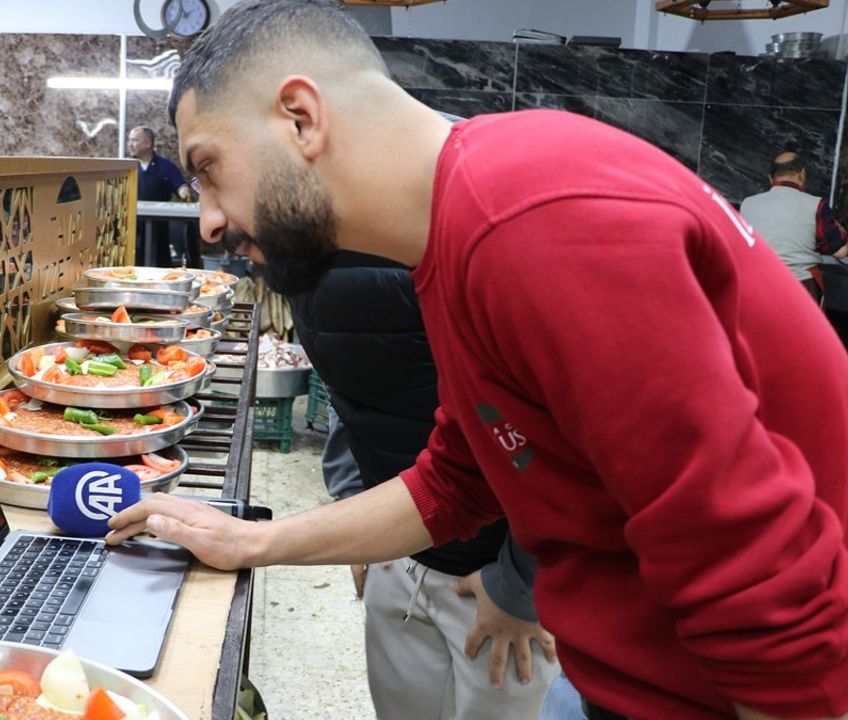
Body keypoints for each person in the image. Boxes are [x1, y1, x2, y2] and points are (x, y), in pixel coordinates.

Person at [105, 2, 848, 719]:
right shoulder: (455, 238)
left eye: (210, 170)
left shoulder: (526, 216)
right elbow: (457, 481)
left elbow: (759, 581)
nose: (205, 222)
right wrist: (253, 542)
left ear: (301, 117)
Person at [301, 251, 558, 719]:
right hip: (401, 551)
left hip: (496, 577)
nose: (211, 224)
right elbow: (351, 394)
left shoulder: (471, 250)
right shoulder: (307, 257)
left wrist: (520, 585)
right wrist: (357, 504)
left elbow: (557, 436)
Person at [740, 151, 848, 303]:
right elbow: (840, 251)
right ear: (802, 174)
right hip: (800, 289)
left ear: (771, 178)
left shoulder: (747, 204)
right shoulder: (816, 205)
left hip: (755, 287)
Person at [129, 126, 192, 266]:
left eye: (134, 140)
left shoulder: (165, 167)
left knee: (159, 262)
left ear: (148, 143)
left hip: (160, 228)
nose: (130, 145)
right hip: (133, 227)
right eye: (130, 140)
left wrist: (184, 192)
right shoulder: (127, 167)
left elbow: (180, 187)